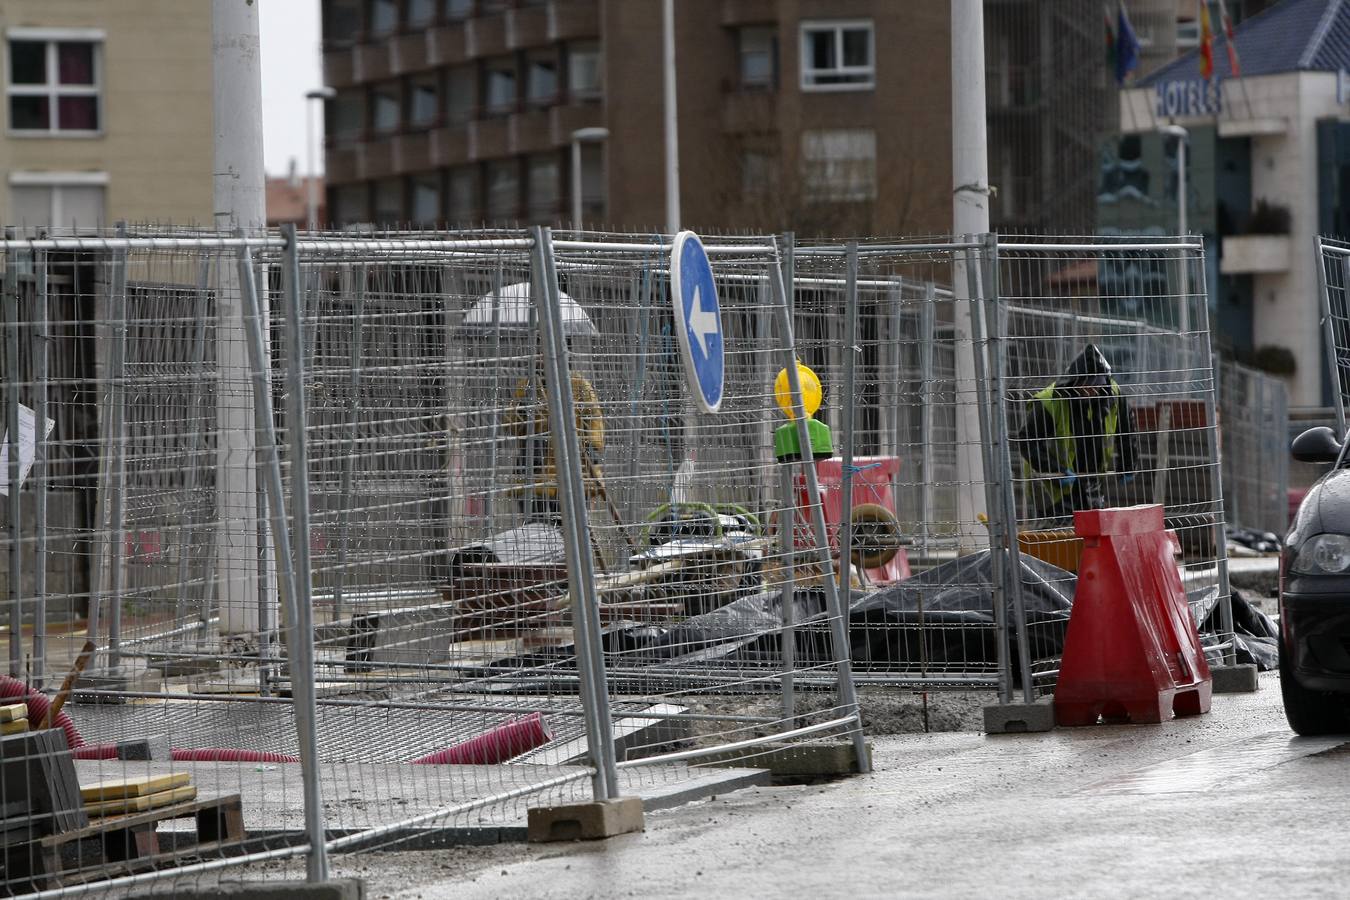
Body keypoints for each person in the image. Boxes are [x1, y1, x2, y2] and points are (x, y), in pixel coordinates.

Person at [1017, 344, 1140, 521]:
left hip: (1092, 483)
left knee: (1092, 537)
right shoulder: (1051, 401)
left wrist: (1128, 464)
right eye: (1088, 384)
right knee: (1059, 538)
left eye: (1098, 383)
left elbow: (1127, 430)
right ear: (1076, 380)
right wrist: (1055, 471)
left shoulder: (1112, 395)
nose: (1093, 389)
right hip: (1054, 488)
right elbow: (1027, 440)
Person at [507, 364, 606, 521]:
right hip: (536, 470)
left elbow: (594, 418)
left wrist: (591, 445)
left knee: (571, 523)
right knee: (537, 527)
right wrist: (522, 411)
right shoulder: (527, 386)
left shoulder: (579, 385)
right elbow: (511, 423)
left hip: (574, 468)